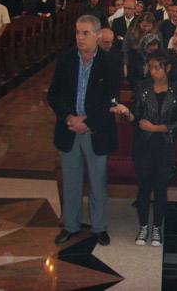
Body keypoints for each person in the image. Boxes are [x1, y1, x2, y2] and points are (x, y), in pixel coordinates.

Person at [47, 15, 122, 246]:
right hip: (70, 129)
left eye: (85, 33)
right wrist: (70, 118)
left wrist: (87, 123)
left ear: (97, 35)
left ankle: (99, 227)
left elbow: (112, 100)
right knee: (71, 182)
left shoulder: (110, 62)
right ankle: (71, 225)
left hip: (95, 131)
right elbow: (54, 95)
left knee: (97, 183)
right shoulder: (66, 59)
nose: (80, 38)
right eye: (78, 33)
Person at [111, 49, 177, 247]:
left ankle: (157, 227)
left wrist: (156, 128)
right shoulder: (142, 87)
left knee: (160, 188)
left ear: (168, 68)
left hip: (165, 145)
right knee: (144, 187)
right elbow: (135, 118)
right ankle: (143, 226)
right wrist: (126, 113)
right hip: (143, 145)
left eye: (157, 68)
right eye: (150, 67)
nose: (152, 72)